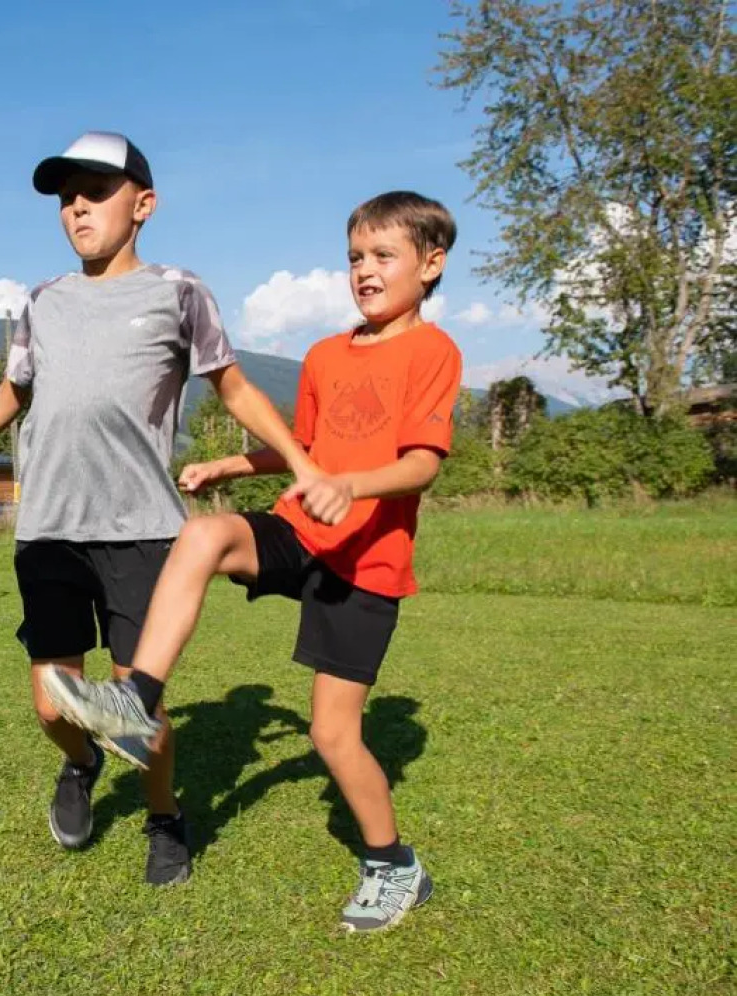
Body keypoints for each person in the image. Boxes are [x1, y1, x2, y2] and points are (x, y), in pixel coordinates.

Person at [0, 131, 314, 885]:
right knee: (54, 708)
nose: (78, 207)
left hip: (143, 532)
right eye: (67, 197)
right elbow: (10, 396)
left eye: (96, 191)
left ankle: (165, 817)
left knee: (140, 704)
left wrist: (300, 458)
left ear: (144, 205)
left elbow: (236, 387)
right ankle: (80, 764)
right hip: (48, 531)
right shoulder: (42, 302)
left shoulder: (179, 292)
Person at [41, 190, 462, 930]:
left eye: (383, 256)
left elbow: (422, 464)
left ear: (431, 265)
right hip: (301, 532)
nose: (364, 271)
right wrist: (229, 471)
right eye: (355, 257)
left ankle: (394, 865)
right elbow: (305, 449)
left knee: (333, 735)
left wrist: (352, 485)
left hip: (366, 564)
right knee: (203, 536)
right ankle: (136, 699)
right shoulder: (328, 355)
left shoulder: (434, 352)